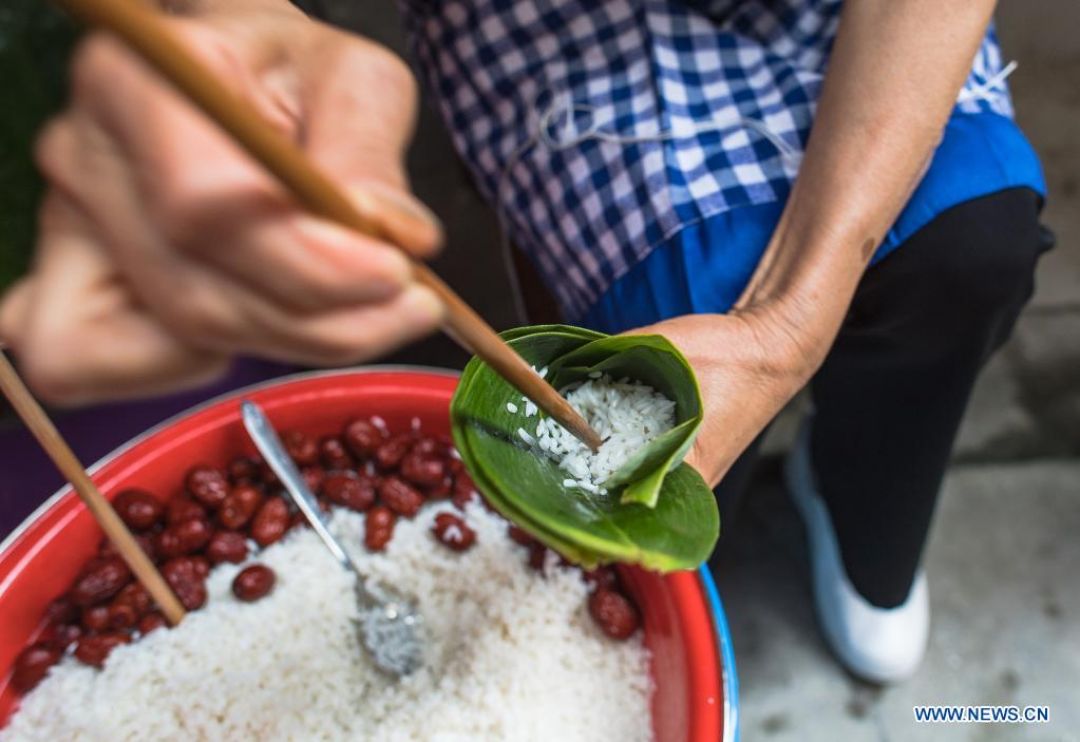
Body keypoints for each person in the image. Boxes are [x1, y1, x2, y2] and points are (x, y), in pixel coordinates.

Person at [0, 0, 1047, 683]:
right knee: (683, 303)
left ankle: (865, 497)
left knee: (973, 243)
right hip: (559, 23)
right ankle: (672, 584)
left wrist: (788, 327)